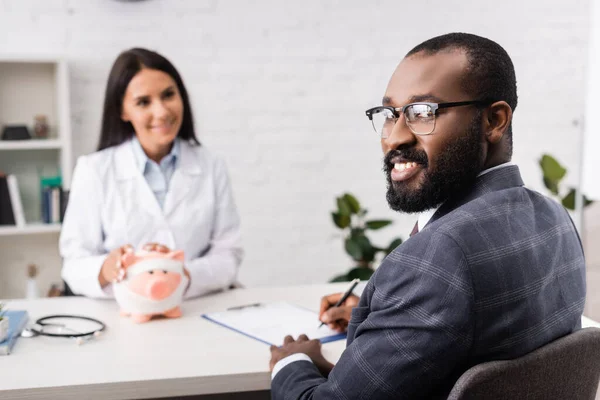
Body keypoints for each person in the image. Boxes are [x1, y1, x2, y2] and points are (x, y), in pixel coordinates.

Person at [268, 33, 586, 399]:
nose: (395, 137)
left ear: (494, 120)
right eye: (390, 114)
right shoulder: (556, 220)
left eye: (423, 113)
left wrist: (291, 363)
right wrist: (389, 320)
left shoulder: (439, 258)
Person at [60, 48, 243, 299]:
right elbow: (74, 263)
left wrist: (179, 274)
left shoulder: (211, 165)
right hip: (122, 314)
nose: (162, 112)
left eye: (168, 95)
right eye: (143, 102)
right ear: (122, 110)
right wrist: (106, 268)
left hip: (194, 309)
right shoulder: (93, 170)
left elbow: (228, 253)